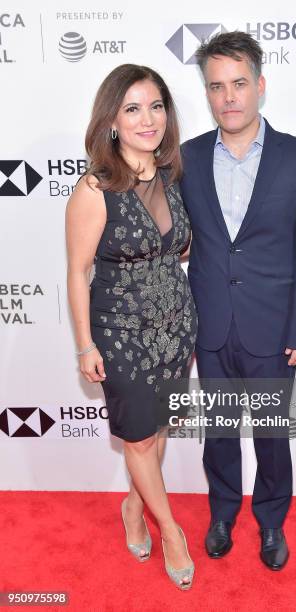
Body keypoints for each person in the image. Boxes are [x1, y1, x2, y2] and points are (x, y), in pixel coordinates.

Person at [180, 32, 296, 570]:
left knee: (270, 435)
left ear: (260, 86)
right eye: (217, 86)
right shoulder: (187, 158)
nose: (229, 97)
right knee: (218, 432)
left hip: (274, 332)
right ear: (208, 93)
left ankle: (271, 522)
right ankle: (223, 512)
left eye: (239, 83)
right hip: (212, 327)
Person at [65, 64, 197, 590]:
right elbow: (77, 272)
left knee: (156, 432)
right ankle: (171, 532)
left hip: (175, 329)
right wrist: (83, 345)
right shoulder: (96, 187)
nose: (149, 119)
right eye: (134, 108)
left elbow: (178, 245)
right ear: (113, 120)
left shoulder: (169, 176)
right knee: (139, 440)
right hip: (121, 334)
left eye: (157, 106)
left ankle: (133, 508)